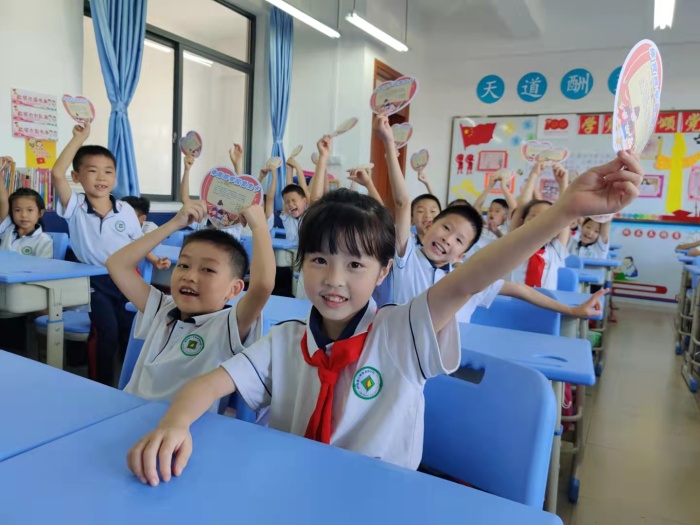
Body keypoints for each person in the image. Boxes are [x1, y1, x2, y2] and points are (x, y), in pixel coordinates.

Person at [126, 145, 643, 486]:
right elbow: (207, 384)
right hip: (292, 486)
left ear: (383, 272)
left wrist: (564, 211)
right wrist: (175, 423)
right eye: (319, 260)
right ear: (301, 264)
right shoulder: (284, 341)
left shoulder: (402, 332)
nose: (334, 280)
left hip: (379, 499)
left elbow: (470, 278)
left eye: (355, 265)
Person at [376, 115, 606, 322]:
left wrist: (572, 310)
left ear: (462, 254)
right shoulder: (406, 258)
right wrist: (388, 145)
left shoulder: (466, 276)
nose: (448, 239)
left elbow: (520, 290)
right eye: (445, 228)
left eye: (459, 240)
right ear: (429, 226)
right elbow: (402, 203)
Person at [107, 200, 275, 410]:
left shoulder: (228, 325)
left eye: (208, 270)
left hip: (183, 424)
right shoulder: (161, 309)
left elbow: (263, 285)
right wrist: (174, 223)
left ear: (234, 289)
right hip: (130, 412)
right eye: (184, 265)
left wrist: (259, 227)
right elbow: (117, 264)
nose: (189, 276)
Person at [51, 123, 170, 385]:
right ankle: (100, 385)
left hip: (128, 278)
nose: (101, 177)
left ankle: (130, 384)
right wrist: (78, 138)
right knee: (106, 331)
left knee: (131, 330)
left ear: (115, 177)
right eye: (92, 171)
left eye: (108, 171)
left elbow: (137, 240)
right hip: (95, 281)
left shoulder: (125, 209)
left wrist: (153, 259)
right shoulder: (75, 206)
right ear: (77, 176)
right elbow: (57, 173)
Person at [509, 163, 571, 290]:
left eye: (545, 219)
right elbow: (521, 207)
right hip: (514, 301)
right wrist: (533, 175)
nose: (538, 223)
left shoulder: (555, 250)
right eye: (532, 217)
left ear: (556, 229)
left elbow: (566, 211)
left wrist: (563, 184)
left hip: (544, 302)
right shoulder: (515, 245)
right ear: (522, 222)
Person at [0, 175, 53, 258]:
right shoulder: (8, 229)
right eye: (18, 210)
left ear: (40, 213)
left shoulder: (43, 240)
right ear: (11, 212)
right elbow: (3, 200)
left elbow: (43, 265)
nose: (24, 215)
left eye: (30, 210)